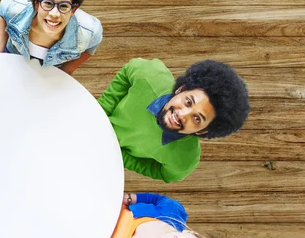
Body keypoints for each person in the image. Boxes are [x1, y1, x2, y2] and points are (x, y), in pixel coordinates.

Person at [97, 58, 250, 182]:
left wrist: (118, 156)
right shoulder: (150, 76)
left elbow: (166, 174)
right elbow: (129, 68)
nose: (183, 115)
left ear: (202, 130)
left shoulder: (184, 159)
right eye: (188, 102)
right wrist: (101, 112)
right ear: (181, 89)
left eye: (197, 118)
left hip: (104, 162)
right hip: (89, 123)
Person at [0, 0, 102, 74]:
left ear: (73, 10)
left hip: (52, 69)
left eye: (64, 6)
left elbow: (92, 44)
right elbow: (2, 11)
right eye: (48, 3)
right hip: (13, 55)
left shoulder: (89, 30)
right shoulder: (16, 5)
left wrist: (65, 73)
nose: (55, 14)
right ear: (36, 3)